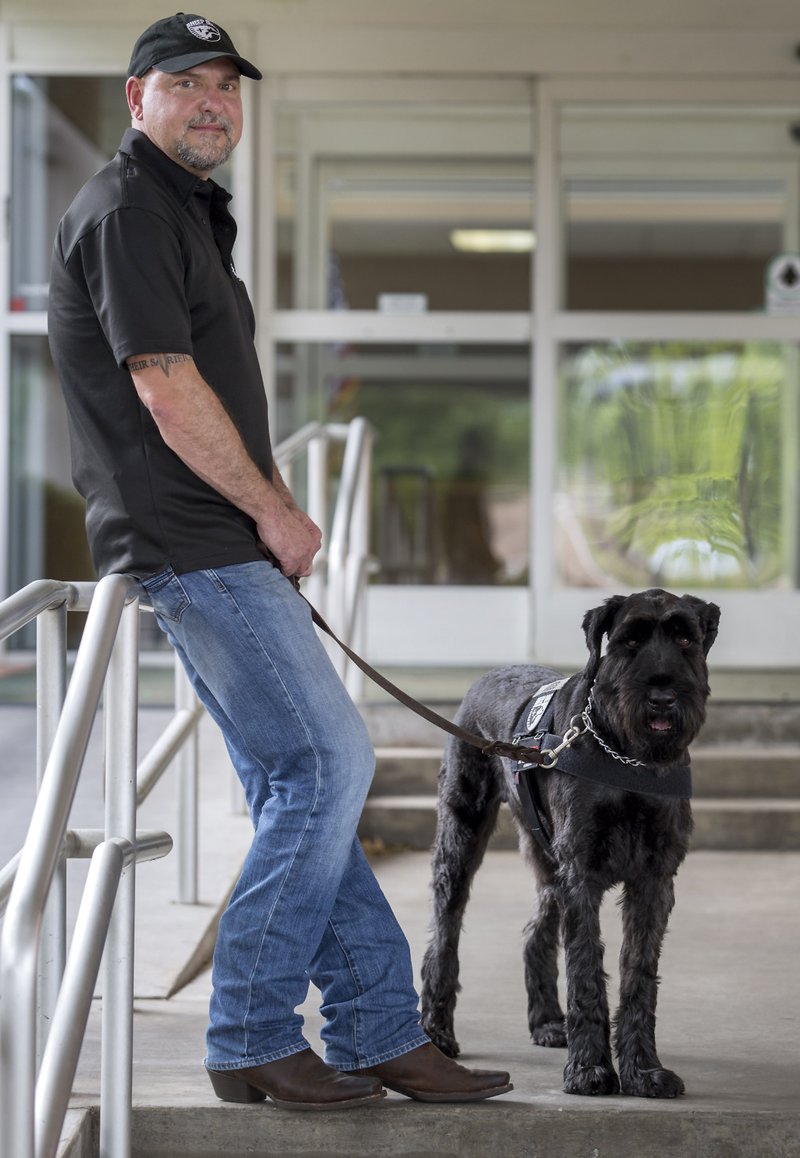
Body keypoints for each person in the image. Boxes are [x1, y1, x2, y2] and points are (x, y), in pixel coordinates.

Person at [48, 13, 513, 1112]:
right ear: (135, 99)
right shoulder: (125, 210)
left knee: (298, 784)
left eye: (226, 86)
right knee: (325, 768)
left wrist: (265, 514)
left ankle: (376, 1028)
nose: (211, 103)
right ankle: (253, 1030)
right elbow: (163, 387)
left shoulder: (183, 214)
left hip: (214, 539)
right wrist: (275, 513)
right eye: (185, 84)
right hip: (194, 541)